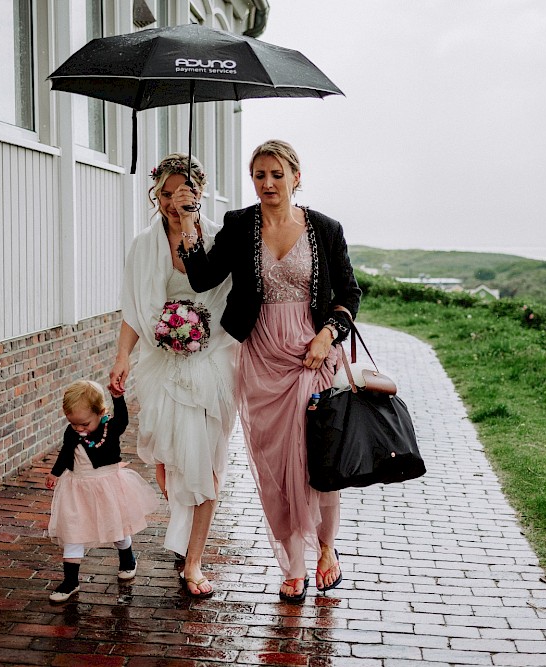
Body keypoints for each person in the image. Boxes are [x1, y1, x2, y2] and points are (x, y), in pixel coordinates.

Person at [177, 139, 361, 603]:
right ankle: (293, 564)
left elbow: (350, 294)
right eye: (259, 175)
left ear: (297, 177)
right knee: (277, 463)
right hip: (260, 356)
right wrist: (187, 221)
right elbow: (202, 278)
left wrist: (328, 334)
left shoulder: (325, 228)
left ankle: (326, 549)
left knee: (317, 457)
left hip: (313, 355)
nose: (267, 183)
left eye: (277, 174)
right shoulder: (240, 225)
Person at [109, 154, 238, 599]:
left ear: (198, 194)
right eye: (165, 194)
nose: (171, 201)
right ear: (156, 194)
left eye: (181, 193)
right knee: (168, 463)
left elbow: (215, 293)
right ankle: (184, 529)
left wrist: (189, 224)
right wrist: (123, 356)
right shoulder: (143, 244)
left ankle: (195, 558)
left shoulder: (220, 239)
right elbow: (133, 305)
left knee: (205, 462)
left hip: (213, 361)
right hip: (162, 362)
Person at [46, 380, 160, 602]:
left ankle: (127, 558)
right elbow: (64, 454)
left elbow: (124, 419)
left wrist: (118, 398)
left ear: (100, 413)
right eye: (73, 423)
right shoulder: (71, 433)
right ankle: (71, 581)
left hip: (106, 487)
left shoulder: (110, 428)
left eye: (84, 424)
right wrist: (55, 473)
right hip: (77, 488)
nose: (78, 429)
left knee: (116, 526)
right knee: (73, 531)